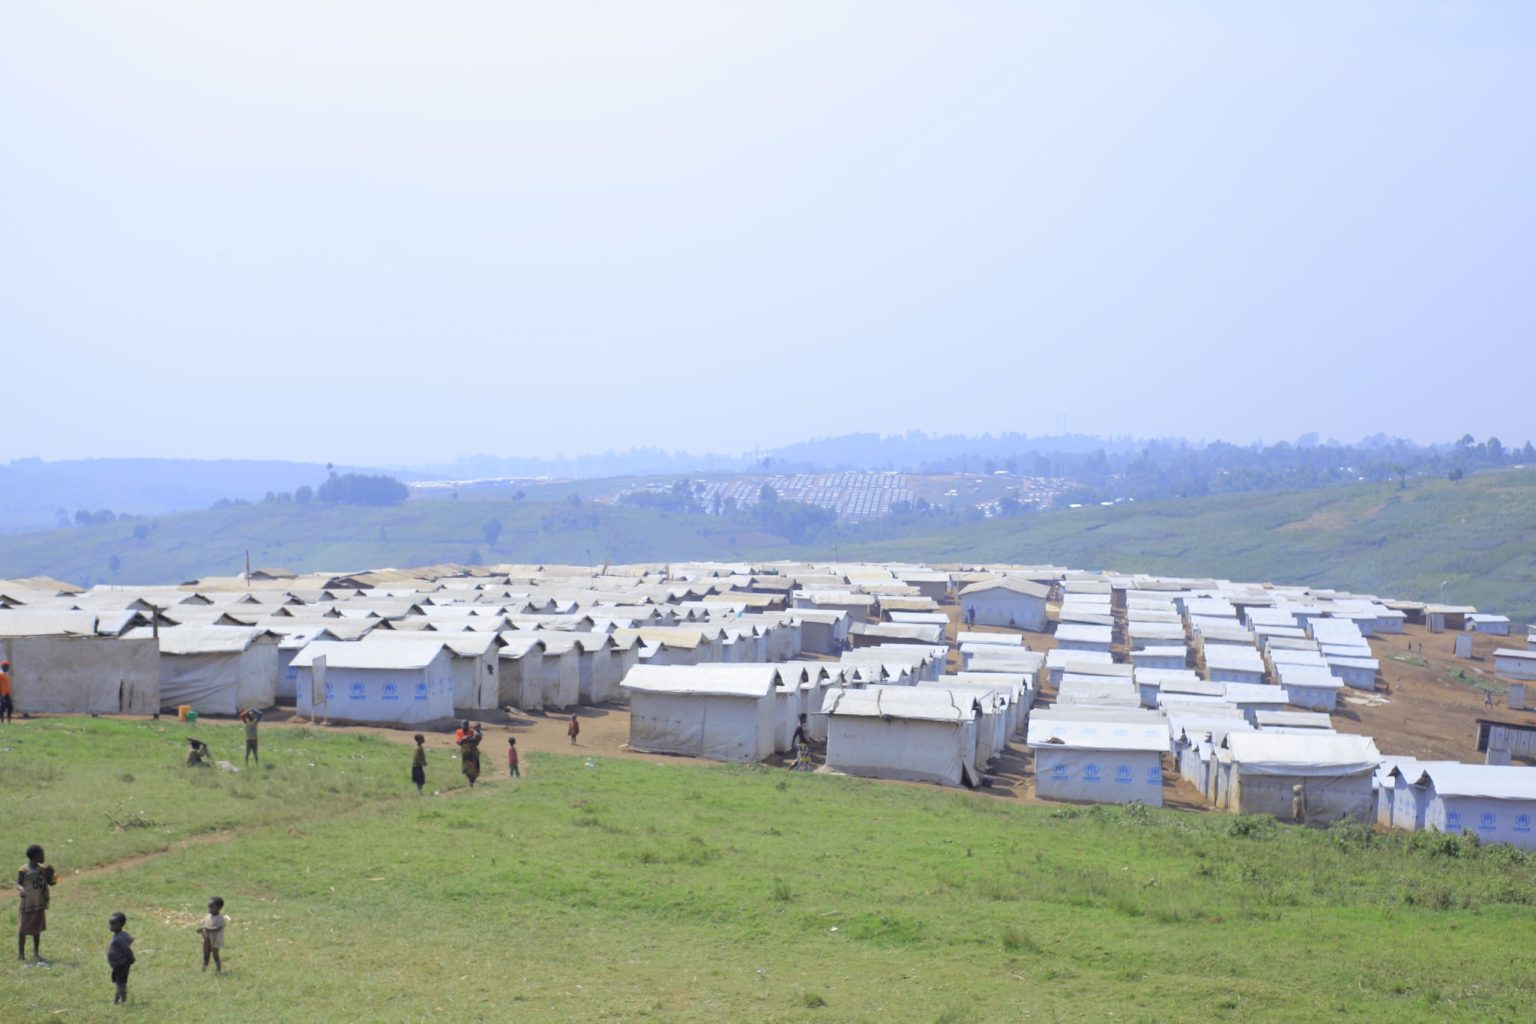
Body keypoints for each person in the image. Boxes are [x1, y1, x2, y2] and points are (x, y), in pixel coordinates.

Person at [17, 843, 56, 963]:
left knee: (37, 930)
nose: (44, 856)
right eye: (42, 854)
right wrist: (22, 889)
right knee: (23, 930)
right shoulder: (24, 870)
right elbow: (18, 883)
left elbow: (51, 883)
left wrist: (52, 875)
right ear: (36, 856)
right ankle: (21, 954)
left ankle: (36, 952)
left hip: (39, 904)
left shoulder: (43, 869)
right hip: (27, 904)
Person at [106, 912, 134, 1004]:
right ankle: (117, 1001)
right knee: (120, 983)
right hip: (120, 964)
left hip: (121, 964)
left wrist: (131, 958)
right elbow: (130, 939)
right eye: (110, 923)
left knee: (120, 984)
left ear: (121, 925)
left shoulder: (118, 938)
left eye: (114, 924)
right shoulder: (123, 934)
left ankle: (122, 1001)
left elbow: (127, 949)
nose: (111, 926)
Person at [199, 897, 227, 973]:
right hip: (206, 939)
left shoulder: (220, 918)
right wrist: (201, 930)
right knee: (206, 955)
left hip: (215, 939)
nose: (210, 908)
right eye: (209, 906)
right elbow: (203, 924)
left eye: (212, 907)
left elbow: (217, 928)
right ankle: (204, 970)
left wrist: (207, 928)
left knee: (215, 955)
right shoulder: (207, 916)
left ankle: (218, 970)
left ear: (219, 908)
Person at [457, 723, 483, 787]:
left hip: (473, 752)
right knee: (468, 768)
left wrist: (466, 738)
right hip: (467, 752)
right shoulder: (472, 732)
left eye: (477, 727)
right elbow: (459, 742)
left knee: (474, 768)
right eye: (475, 727)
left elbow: (475, 741)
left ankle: (471, 781)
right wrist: (464, 739)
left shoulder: (478, 734)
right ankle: (471, 781)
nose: (476, 728)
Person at [0, 660, 13, 724]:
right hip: (2, 693)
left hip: (7, 693)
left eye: (8, 666)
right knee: (2, 707)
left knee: (10, 707)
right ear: (2, 666)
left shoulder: (6, 674)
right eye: (6, 666)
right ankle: (2, 721)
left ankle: (8, 720)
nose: (7, 668)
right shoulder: (0, 674)